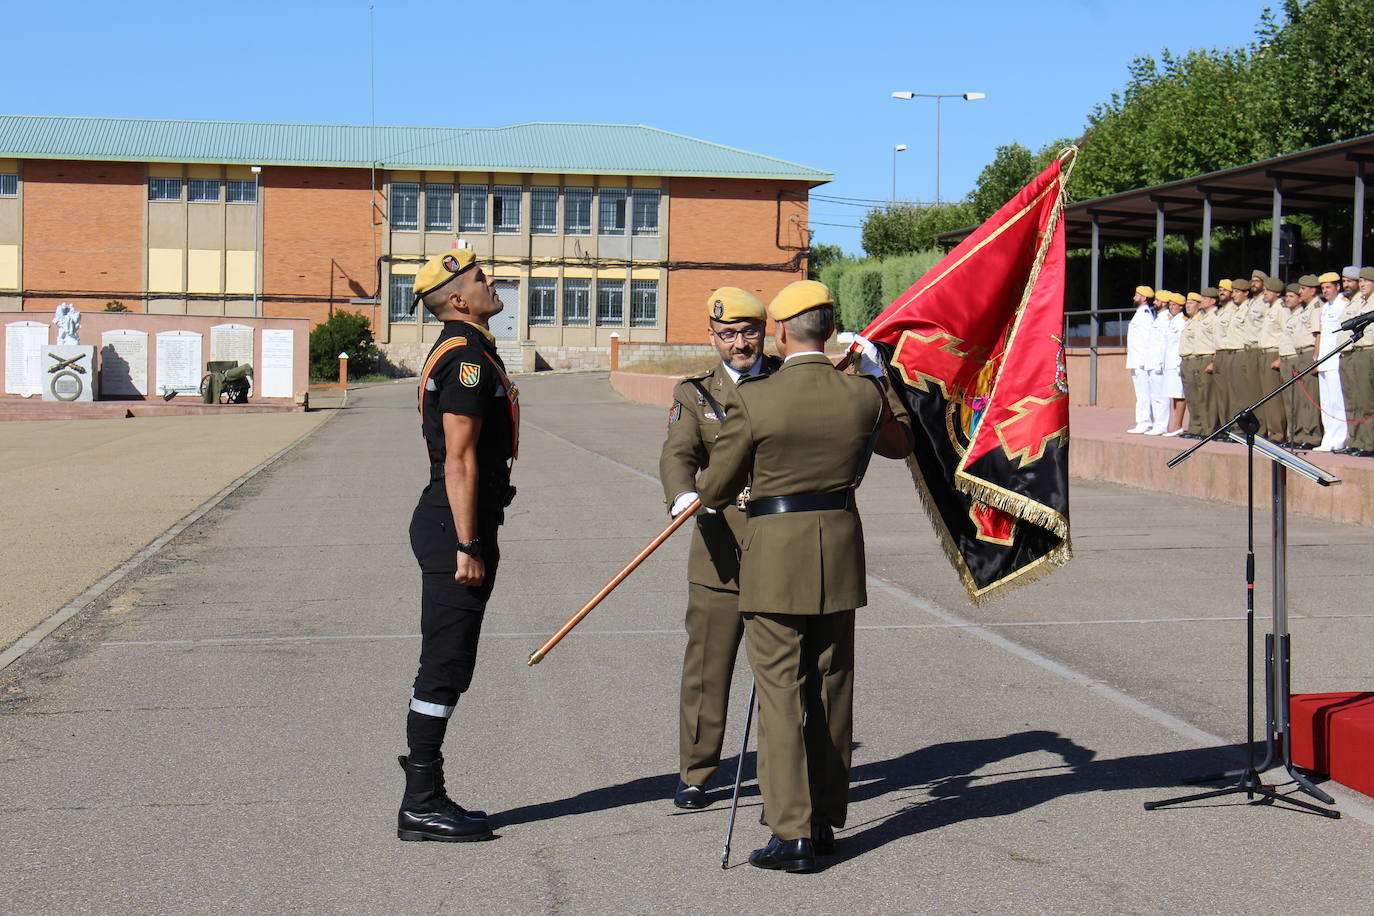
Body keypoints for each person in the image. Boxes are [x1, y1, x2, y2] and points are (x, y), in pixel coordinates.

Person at [696, 280, 913, 873]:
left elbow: (714, 489)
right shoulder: (862, 394)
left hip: (773, 557)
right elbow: (901, 443)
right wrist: (881, 380)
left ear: (781, 334)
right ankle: (823, 820)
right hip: (837, 552)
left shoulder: (757, 398)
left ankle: (790, 832)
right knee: (831, 688)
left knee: (781, 694)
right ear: (831, 330)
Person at [397, 249, 519, 843]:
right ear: (457, 299)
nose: (490, 282)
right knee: (445, 663)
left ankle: (426, 793)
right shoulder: (466, 357)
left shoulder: (469, 348)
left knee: (451, 661)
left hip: (457, 522)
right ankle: (421, 800)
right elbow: (460, 460)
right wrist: (469, 544)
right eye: (479, 278)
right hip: (455, 527)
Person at [659, 287, 781, 809]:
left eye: (748, 331)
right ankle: (696, 771)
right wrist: (682, 494)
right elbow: (678, 452)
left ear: (764, 332)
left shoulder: (786, 381)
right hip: (718, 548)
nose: (739, 343)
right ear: (712, 337)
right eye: (727, 334)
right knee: (707, 668)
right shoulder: (695, 394)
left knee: (782, 673)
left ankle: (785, 779)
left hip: (779, 544)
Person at [1338, 267, 1374, 456]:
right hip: (1356, 351)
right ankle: (1357, 441)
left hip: (1369, 351)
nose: (1362, 284)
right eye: (1360, 281)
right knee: (1356, 400)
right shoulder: (1360, 301)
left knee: (1367, 400)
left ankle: (1369, 444)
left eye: (1366, 281)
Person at [1314, 271, 1349, 452]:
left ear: (1337, 287)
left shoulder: (1343, 304)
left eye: (1328, 287)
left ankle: (1340, 438)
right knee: (1326, 402)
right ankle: (1328, 437)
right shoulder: (1326, 306)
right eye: (1323, 288)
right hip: (1324, 359)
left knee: (1337, 401)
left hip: (1335, 359)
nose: (1325, 291)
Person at [1256, 276, 1289, 441]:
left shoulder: (1281, 309)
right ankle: (1271, 431)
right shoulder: (1270, 308)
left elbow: (1286, 333)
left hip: (1274, 353)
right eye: (1264, 290)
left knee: (1274, 397)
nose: (1265, 293)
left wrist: (1281, 357)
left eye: (1268, 290)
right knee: (1266, 395)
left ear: (1277, 292)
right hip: (1264, 353)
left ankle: (1278, 433)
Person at [1180, 291, 1214, 438]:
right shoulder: (1191, 320)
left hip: (1198, 359)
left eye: (1191, 303)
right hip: (1188, 359)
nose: (1188, 306)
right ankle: (1195, 427)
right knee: (1191, 397)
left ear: (1199, 305)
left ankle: (1206, 428)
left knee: (1202, 396)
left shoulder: (1202, 319)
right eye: (1187, 303)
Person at [1124, 286, 1157, 434]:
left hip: (1141, 360)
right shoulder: (1140, 313)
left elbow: (1147, 339)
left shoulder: (1145, 315)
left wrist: (1144, 360)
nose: (1134, 297)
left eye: (1137, 295)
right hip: (1136, 359)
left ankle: (1145, 422)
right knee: (1140, 392)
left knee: (1144, 393)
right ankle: (1143, 421)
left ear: (1144, 298)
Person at [1212, 280, 1240, 424]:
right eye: (1220, 289)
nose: (1221, 292)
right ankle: (1224, 426)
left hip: (1229, 353)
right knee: (1221, 393)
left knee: (1231, 392)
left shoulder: (1234, 310)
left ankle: (1233, 425)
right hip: (1219, 353)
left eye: (1225, 290)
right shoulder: (1220, 311)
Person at [1144, 291, 1171, 435]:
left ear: (1164, 303)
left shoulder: (1166, 319)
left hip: (1158, 364)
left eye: (1157, 300)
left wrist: (1160, 363)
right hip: (1152, 362)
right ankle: (1157, 423)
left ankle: (1161, 425)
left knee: (1160, 397)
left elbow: (1163, 344)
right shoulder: (1159, 318)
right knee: (1154, 396)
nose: (1154, 302)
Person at [1162, 292, 1187, 436]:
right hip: (1169, 363)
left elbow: (1181, 344)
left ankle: (1178, 425)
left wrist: (1179, 363)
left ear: (1181, 306)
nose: (1171, 307)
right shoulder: (1172, 321)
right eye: (1170, 305)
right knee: (1173, 394)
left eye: (1174, 305)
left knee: (1179, 395)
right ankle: (1174, 425)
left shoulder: (1182, 322)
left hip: (1176, 363)